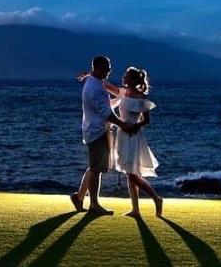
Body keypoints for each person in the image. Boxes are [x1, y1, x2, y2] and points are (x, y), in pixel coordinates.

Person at [70, 55, 139, 215]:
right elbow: (105, 112)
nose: (110, 70)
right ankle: (93, 204)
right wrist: (124, 125)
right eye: (107, 67)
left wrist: (122, 98)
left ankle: (79, 197)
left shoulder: (96, 81)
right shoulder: (94, 87)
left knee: (94, 167)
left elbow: (110, 100)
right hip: (96, 131)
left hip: (96, 130)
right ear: (99, 67)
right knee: (96, 169)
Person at [91, 66, 163, 218]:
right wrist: (89, 76)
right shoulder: (122, 92)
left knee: (132, 175)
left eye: (126, 76)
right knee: (129, 173)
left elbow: (146, 120)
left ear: (132, 79)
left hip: (134, 136)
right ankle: (136, 209)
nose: (123, 77)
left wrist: (133, 127)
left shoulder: (141, 98)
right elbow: (104, 84)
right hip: (123, 133)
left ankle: (156, 198)